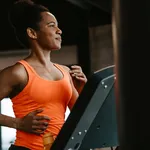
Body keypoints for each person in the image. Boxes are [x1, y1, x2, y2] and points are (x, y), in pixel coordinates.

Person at [0, 0, 87, 149]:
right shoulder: (18, 72)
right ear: (32, 33)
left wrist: (82, 90)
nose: (59, 30)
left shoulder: (66, 72)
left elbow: (82, 118)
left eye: (58, 26)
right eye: (51, 25)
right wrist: (18, 123)